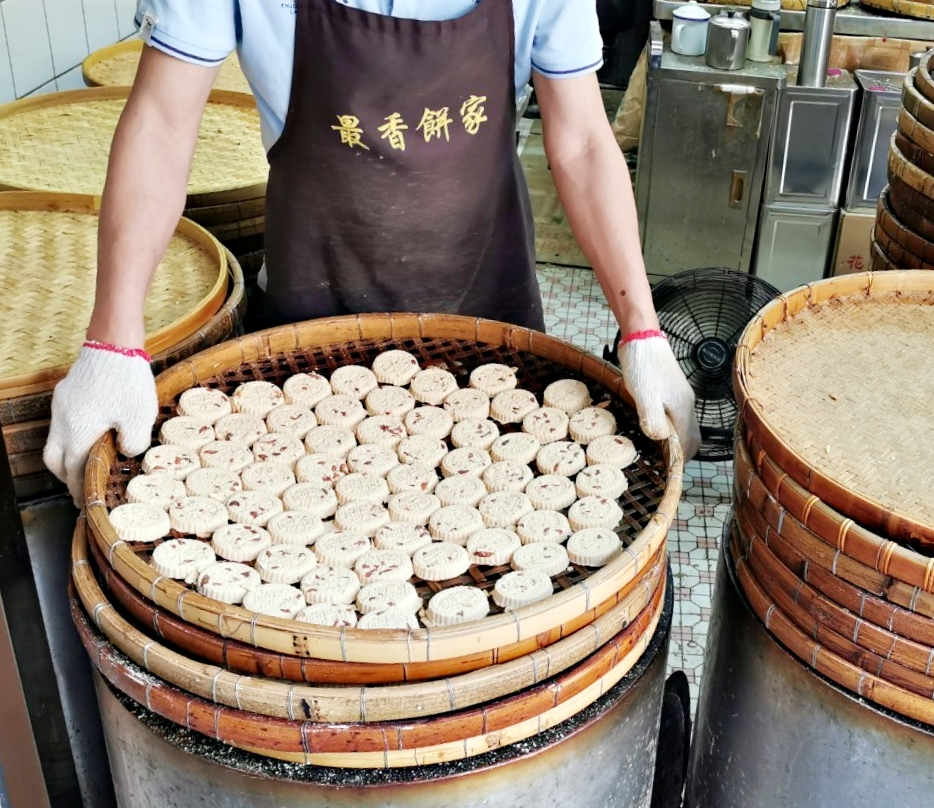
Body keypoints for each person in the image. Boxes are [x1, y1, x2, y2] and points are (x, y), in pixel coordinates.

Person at [43, 0, 699, 504]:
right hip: (307, 335)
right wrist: (113, 340)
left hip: (490, 322)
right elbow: (161, 122)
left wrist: (641, 328)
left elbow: (583, 140)